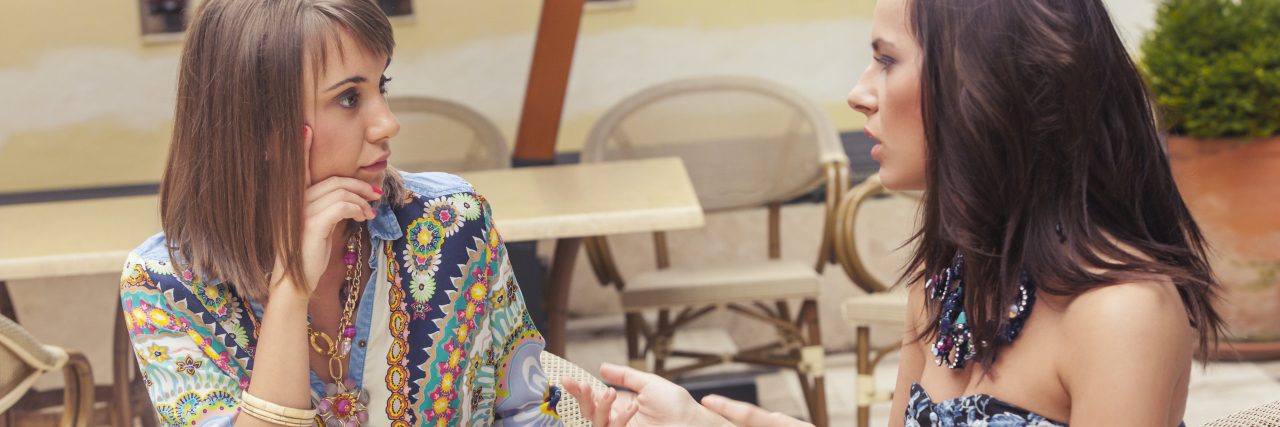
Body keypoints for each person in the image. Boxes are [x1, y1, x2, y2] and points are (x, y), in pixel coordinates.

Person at [564, 0, 1223, 425]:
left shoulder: (1121, 313)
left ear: (988, 84)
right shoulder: (945, 281)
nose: (858, 93)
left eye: (885, 60)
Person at [118, 1, 563, 426]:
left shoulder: (454, 223)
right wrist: (292, 287)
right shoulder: (165, 285)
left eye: (381, 85)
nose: (388, 123)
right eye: (349, 98)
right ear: (257, 128)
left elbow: (529, 414)